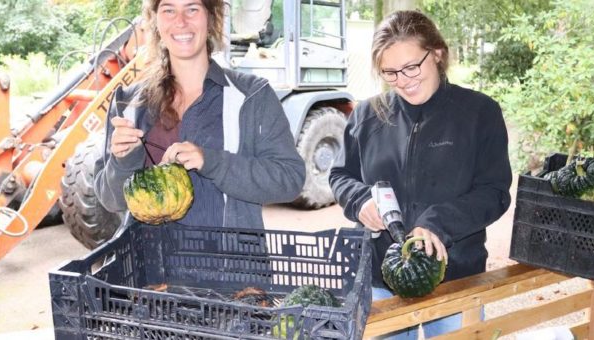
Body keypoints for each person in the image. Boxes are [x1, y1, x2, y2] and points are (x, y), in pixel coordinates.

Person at [329, 10, 512, 339]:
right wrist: (359, 201)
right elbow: (341, 175)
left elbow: (494, 192)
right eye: (390, 72)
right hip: (381, 278)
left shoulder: (479, 112)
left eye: (412, 66)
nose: (403, 80)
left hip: (457, 276)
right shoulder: (367, 116)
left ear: (438, 53)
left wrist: (436, 223)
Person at [95, 0, 305, 229]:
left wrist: (211, 162)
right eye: (168, 10)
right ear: (155, 21)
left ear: (211, 16)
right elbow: (111, 200)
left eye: (192, 8)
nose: (181, 21)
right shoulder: (129, 102)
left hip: (229, 261)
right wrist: (125, 160)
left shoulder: (252, 96)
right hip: (150, 261)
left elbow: (289, 179)